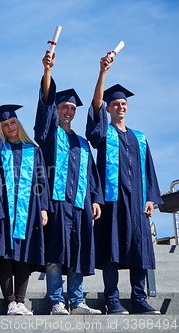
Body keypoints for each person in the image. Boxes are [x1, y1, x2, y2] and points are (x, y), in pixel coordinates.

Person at [86, 53, 163, 315]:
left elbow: (149, 170)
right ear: (108, 108)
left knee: (140, 250)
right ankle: (112, 299)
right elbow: (95, 106)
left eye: (123, 103)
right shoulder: (103, 134)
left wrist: (150, 198)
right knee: (111, 250)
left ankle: (139, 298)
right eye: (115, 104)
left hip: (137, 204)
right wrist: (102, 72)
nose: (120, 106)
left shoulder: (139, 138)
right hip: (112, 201)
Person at [35, 50, 103, 315]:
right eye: (64, 107)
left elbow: (92, 174)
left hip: (80, 206)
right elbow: (44, 105)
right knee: (54, 254)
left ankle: (76, 301)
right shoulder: (49, 134)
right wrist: (48, 71)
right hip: (56, 203)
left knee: (79, 252)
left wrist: (96, 199)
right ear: (57, 110)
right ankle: (56, 301)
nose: (69, 111)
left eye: (73, 109)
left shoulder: (82, 143)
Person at [0, 96, 49, 316]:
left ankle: (21, 301)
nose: (9, 127)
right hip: (4, 210)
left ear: (18, 124)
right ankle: (10, 302)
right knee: (7, 255)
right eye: (4, 125)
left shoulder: (33, 150)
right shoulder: (0, 149)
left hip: (29, 210)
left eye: (12, 123)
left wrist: (44, 208)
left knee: (25, 255)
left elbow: (41, 181)